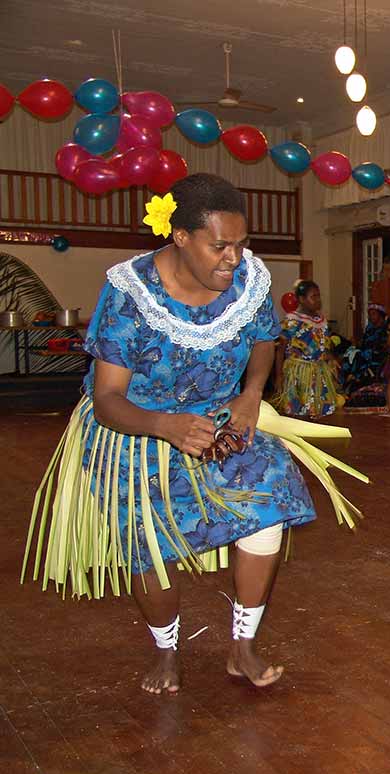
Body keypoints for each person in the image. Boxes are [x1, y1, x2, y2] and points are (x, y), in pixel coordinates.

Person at [21, 174, 365, 694]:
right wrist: (165, 425)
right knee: (147, 541)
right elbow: (107, 398)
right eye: (220, 246)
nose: (233, 258)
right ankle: (166, 650)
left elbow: (264, 340)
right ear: (180, 237)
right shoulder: (130, 295)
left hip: (220, 421)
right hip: (136, 429)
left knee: (270, 492)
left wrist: (251, 394)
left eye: (241, 243)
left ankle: (243, 646)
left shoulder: (249, 281)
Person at [272, 280, 340, 419]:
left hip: (319, 373)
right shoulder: (292, 321)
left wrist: (331, 359)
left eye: (318, 296)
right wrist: (279, 376)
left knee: (321, 410)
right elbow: (280, 350)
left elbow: (324, 345)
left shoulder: (321, 321)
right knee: (300, 412)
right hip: (299, 374)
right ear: (302, 299)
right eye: (313, 296)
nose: (318, 300)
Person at [342, 303, 388, 392]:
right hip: (365, 354)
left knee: (357, 357)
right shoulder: (369, 328)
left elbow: (381, 347)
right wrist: (355, 345)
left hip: (376, 358)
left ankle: (353, 379)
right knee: (349, 353)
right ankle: (347, 381)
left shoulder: (385, 330)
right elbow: (364, 343)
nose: (371, 317)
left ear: (381, 315)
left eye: (373, 314)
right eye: (369, 314)